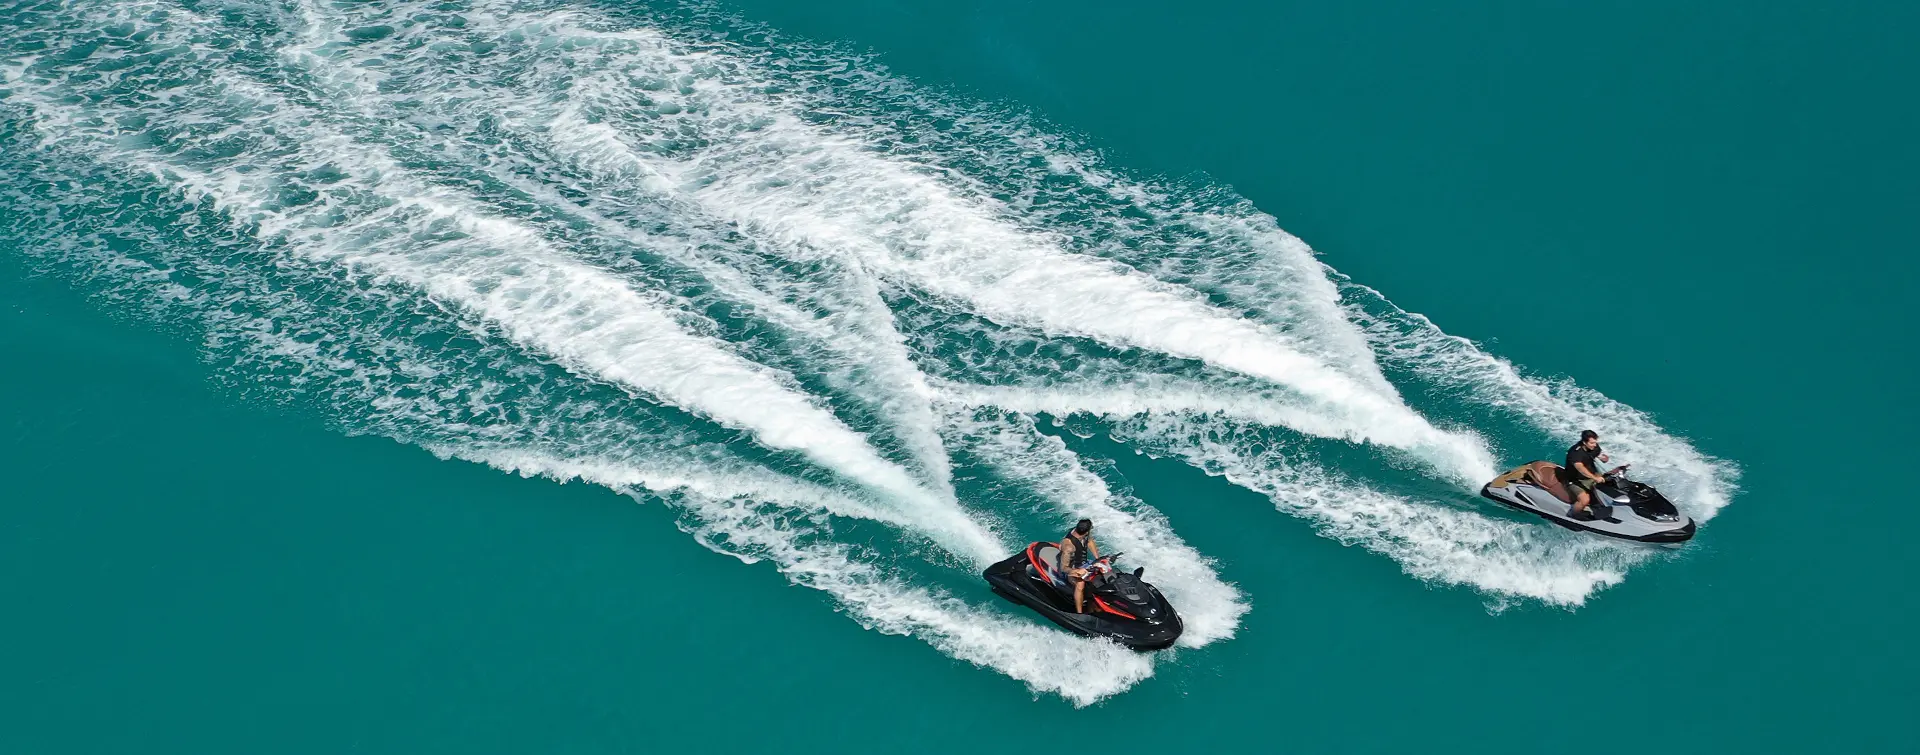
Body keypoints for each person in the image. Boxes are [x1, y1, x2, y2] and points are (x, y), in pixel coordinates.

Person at [1562, 430, 1620, 520]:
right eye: (1592, 443)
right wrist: (1595, 478)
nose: (1595, 445)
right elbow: (1580, 468)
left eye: (1595, 442)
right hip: (1575, 480)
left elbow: (1599, 455)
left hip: (1592, 474)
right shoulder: (1575, 453)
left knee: (1611, 485)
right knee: (1584, 500)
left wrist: (1603, 458)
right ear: (1584, 442)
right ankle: (1572, 516)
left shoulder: (1594, 447)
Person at [1058, 519, 1100, 614]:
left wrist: (1098, 559)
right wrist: (1077, 571)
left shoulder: (1083, 533)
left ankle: (1095, 604)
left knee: (1102, 572)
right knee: (1080, 584)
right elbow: (1063, 568)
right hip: (1070, 569)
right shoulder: (1068, 546)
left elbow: (1089, 541)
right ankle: (1079, 613)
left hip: (1084, 564)